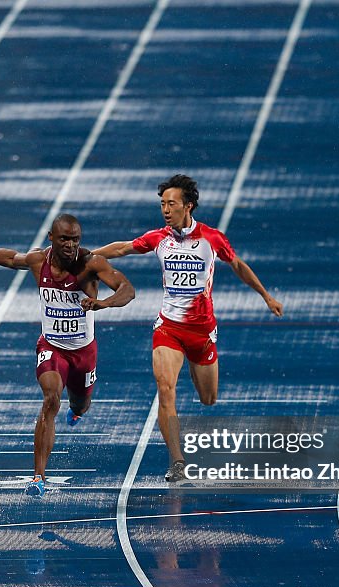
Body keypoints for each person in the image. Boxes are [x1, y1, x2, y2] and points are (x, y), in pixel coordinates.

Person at [94, 174, 283, 482]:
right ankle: (177, 461)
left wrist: (265, 295)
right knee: (165, 390)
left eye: (171, 204)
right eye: (162, 204)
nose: (165, 210)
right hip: (168, 328)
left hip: (202, 332)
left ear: (189, 206)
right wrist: (86, 256)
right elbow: (122, 249)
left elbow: (238, 266)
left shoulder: (212, 238)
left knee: (208, 398)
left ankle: (191, 423)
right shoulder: (158, 238)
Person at [0, 214, 135, 497]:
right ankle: (38, 477)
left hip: (83, 352)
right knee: (50, 398)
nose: (70, 245)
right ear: (51, 238)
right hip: (52, 347)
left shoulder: (91, 263)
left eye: (75, 239)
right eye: (64, 239)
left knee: (81, 405)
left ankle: (76, 412)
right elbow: (8, 258)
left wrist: (104, 303)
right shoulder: (37, 261)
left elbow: (127, 289)